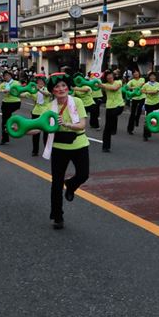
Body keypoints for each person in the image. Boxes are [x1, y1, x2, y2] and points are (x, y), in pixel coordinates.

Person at [38, 75, 90, 230]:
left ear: (68, 87)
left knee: (83, 175)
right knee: (56, 183)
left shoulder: (77, 102)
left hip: (79, 144)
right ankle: (57, 216)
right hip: (59, 147)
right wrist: (20, 129)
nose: (61, 89)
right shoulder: (49, 107)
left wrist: (66, 124)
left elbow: (82, 124)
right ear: (52, 91)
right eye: (57, 87)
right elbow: (38, 127)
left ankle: (71, 185)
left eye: (63, 85)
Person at [99, 69, 124, 152]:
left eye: (110, 75)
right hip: (109, 106)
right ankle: (105, 147)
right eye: (107, 76)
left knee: (114, 115)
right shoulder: (105, 84)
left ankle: (114, 128)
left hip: (119, 105)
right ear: (105, 78)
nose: (109, 77)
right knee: (107, 127)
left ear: (113, 76)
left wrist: (102, 85)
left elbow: (115, 88)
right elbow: (95, 85)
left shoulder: (118, 82)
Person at [0, 70, 22, 146]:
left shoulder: (16, 83)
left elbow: (19, 89)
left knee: (7, 118)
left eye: (7, 75)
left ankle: (12, 124)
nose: (6, 77)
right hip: (5, 102)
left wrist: (9, 90)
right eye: (5, 76)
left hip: (15, 102)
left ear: (11, 76)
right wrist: (2, 90)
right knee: (4, 121)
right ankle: (4, 138)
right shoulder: (3, 84)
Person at [29, 76, 51, 157]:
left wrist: (39, 89)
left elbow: (48, 94)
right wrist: (16, 91)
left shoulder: (47, 89)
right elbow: (26, 94)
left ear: (44, 82)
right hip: (36, 112)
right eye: (38, 81)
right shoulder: (34, 90)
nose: (40, 82)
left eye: (41, 81)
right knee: (35, 132)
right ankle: (35, 151)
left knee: (46, 133)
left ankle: (46, 151)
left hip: (45, 113)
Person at [142, 71, 159, 141]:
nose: (152, 77)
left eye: (153, 76)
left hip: (156, 102)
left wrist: (147, 92)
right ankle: (145, 135)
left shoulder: (158, 84)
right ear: (149, 77)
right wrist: (148, 92)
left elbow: (156, 92)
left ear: (155, 77)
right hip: (148, 103)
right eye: (151, 76)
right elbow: (142, 91)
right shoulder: (146, 84)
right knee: (148, 119)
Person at [125, 69, 145, 135]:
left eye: (137, 72)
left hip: (142, 96)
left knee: (139, 108)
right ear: (133, 75)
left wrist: (136, 87)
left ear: (139, 73)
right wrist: (134, 88)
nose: (136, 74)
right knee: (132, 114)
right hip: (134, 98)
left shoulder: (142, 79)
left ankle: (137, 119)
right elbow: (127, 87)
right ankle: (130, 129)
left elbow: (143, 85)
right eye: (134, 73)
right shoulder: (131, 81)